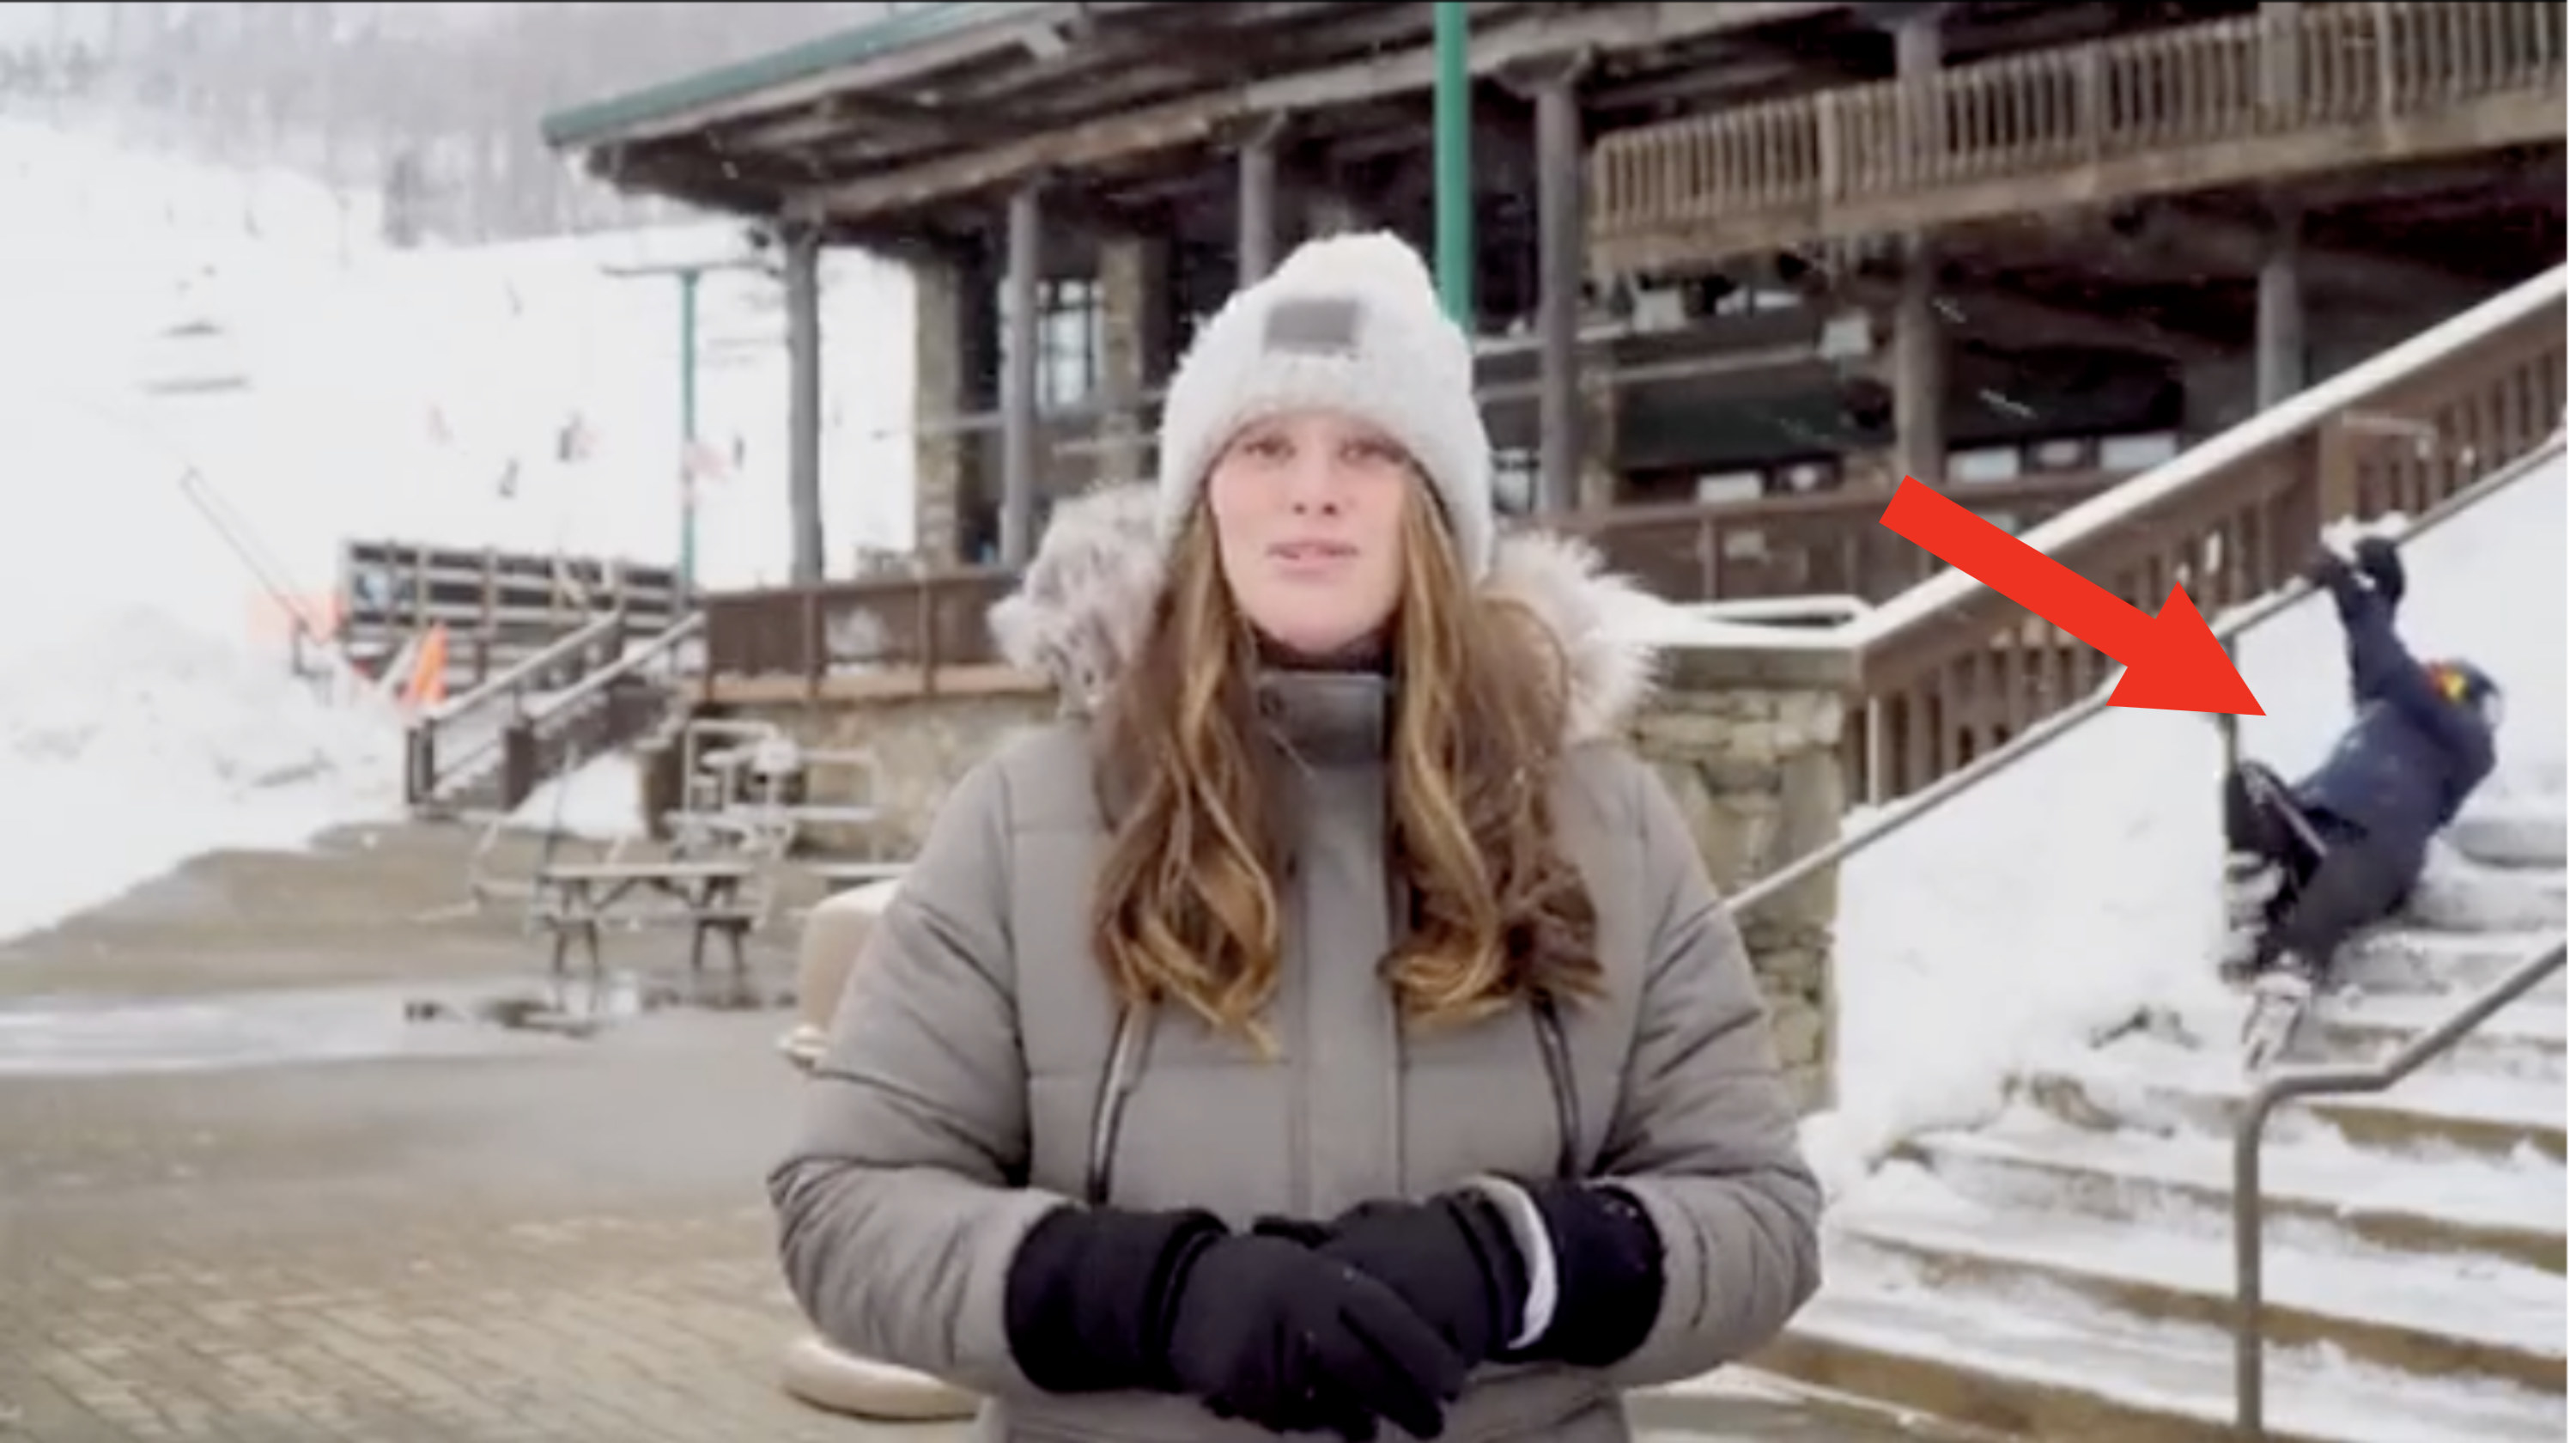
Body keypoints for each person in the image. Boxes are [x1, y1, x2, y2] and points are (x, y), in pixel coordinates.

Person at [768, 230, 1822, 1443]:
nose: (1313, 490)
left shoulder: (1608, 821)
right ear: (1201, 495)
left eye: (1367, 449)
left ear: (1436, 509)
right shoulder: (1024, 819)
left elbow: (1758, 1214)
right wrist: (1150, 1294)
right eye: (1264, 446)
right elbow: (844, 1209)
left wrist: (1521, 1262)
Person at [2223, 534, 2501, 1060]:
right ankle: (2254, 914)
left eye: (2448, 679)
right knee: (2247, 782)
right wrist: (2384, 599)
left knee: (2343, 876)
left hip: (2377, 847)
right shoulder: (2390, 708)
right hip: (2316, 822)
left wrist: (2354, 595)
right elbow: (2378, 666)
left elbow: (2396, 673)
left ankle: (2295, 960)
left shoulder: (2467, 743)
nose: (2432, 676)